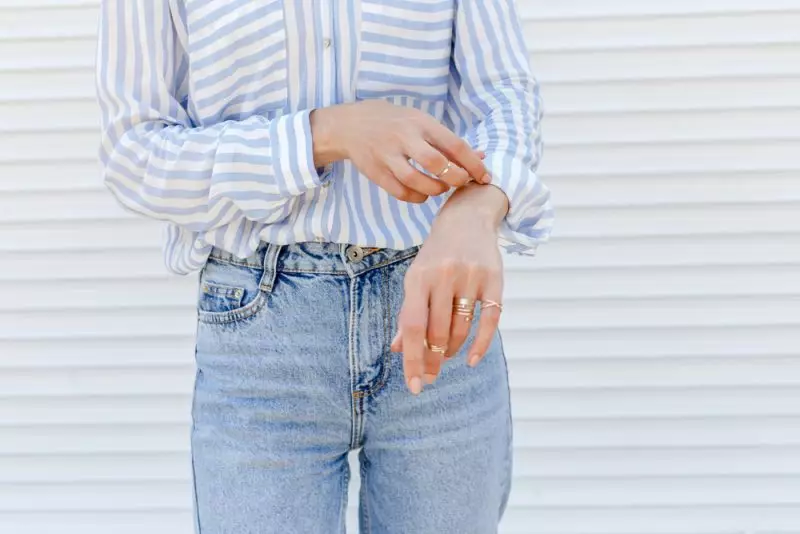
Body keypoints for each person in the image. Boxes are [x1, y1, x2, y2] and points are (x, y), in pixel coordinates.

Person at [96, 1, 552, 532]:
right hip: (262, 331)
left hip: (434, 312)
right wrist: (323, 134)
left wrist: (477, 204)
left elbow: (505, 93)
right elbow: (133, 150)